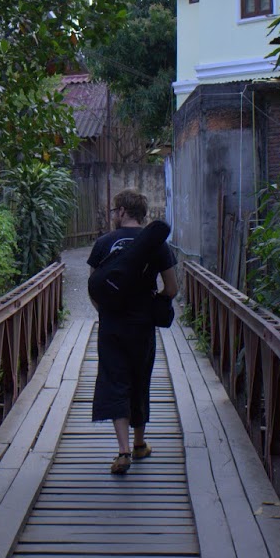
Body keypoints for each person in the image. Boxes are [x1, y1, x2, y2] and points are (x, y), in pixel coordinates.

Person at [88, 190, 178, 475]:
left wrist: (108, 309)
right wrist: (153, 302)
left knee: (115, 380)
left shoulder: (103, 243)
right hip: (142, 325)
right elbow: (172, 289)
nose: (114, 215)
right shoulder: (157, 244)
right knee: (140, 380)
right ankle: (140, 445)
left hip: (112, 324)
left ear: (124, 211)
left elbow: (94, 287)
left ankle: (123, 450)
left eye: (115, 211)